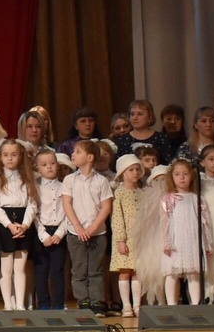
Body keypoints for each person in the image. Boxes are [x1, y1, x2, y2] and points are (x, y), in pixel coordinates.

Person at [61, 139, 112, 313]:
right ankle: (83, 300)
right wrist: (78, 227)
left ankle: (97, 301)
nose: (73, 154)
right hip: (75, 233)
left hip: (97, 233)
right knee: (79, 269)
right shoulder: (69, 180)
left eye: (78, 152)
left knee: (96, 269)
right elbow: (67, 204)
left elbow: (106, 207)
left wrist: (92, 228)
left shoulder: (102, 181)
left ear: (90, 157)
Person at [159, 159, 214, 306]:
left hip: (192, 239)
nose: (182, 177)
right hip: (175, 240)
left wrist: (207, 243)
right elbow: (165, 221)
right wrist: (167, 241)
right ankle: (171, 305)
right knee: (172, 273)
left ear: (191, 176)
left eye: (185, 174)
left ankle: (196, 305)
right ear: (172, 177)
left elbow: (205, 222)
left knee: (193, 273)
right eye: (177, 174)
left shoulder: (198, 199)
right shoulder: (168, 199)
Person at [0, 138, 37, 311]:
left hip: (23, 222)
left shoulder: (27, 178)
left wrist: (25, 225)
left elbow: (32, 204)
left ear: (20, 156)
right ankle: (8, 304)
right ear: (0, 157)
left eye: (13, 154)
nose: (9, 158)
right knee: (6, 267)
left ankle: (20, 304)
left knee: (20, 267)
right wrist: (9, 225)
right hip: (5, 223)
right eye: (6, 155)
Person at [32, 148, 67, 310]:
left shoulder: (65, 187)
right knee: (41, 270)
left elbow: (69, 212)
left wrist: (60, 233)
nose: (49, 167)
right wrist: (43, 234)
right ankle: (43, 305)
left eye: (52, 163)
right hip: (42, 232)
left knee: (58, 271)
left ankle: (58, 304)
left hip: (59, 232)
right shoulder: (35, 188)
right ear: (38, 167)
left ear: (57, 165)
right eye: (44, 164)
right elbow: (33, 213)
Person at [110, 154, 144, 317]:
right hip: (125, 238)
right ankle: (126, 306)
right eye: (131, 170)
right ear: (123, 172)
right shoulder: (119, 193)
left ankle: (137, 305)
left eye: (137, 169)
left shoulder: (142, 193)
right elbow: (117, 217)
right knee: (125, 271)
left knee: (137, 271)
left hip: (140, 238)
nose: (135, 172)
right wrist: (120, 240)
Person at [115, 99, 174, 164]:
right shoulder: (122, 140)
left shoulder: (161, 138)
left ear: (150, 117)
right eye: (132, 114)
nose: (135, 118)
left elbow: (168, 164)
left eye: (140, 114)